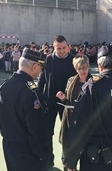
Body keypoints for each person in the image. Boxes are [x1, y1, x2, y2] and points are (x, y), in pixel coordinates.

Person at [0, 48, 49, 171]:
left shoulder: (4, 85)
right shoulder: (32, 91)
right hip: (28, 151)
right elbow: (36, 127)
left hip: (9, 146)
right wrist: (42, 153)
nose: (41, 72)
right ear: (35, 66)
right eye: (41, 68)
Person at [37, 35, 77, 168]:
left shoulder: (73, 60)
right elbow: (42, 80)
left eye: (63, 48)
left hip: (66, 103)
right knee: (47, 132)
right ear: (53, 47)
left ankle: (67, 161)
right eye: (58, 48)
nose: (61, 51)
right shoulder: (47, 60)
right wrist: (38, 97)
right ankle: (48, 160)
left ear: (68, 47)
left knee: (67, 133)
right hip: (49, 102)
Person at [56, 55, 92, 171]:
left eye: (85, 68)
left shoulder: (94, 82)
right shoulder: (71, 81)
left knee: (87, 158)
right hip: (71, 124)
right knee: (69, 160)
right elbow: (68, 101)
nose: (82, 71)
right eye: (79, 68)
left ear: (88, 67)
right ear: (75, 69)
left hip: (87, 125)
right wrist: (63, 98)